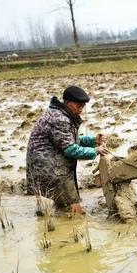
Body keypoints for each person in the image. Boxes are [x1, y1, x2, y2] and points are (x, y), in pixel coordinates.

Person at [26, 86, 107, 215]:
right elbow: (70, 149)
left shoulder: (61, 114)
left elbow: (69, 140)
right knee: (75, 211)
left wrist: (93, 140)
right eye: (78, 105)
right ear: (68, 103)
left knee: (63, 209)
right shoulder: (60, 119)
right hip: (50, 168)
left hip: (51, 164)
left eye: (83, 106)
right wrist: (96, 151)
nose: (81, 110)